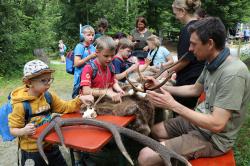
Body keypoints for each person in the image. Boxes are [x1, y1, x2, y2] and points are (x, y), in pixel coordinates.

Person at [138, 17, 250, 166]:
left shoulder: (233, 73)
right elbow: (194, 89)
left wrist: (172, 105)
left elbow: (217, 124)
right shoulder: (212, 61)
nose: (190, 49)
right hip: (198, 123)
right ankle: (175, 156)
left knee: (144, 156)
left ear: (210, 43)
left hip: (214, 138)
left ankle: (174, 155)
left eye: (193, 44)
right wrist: (160, 86)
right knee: (156, 131)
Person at [8, 59, 94, 166]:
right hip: (32, 151)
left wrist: (80, 99)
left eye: (49, 80)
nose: (48, 84)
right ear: (29, 82)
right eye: (43, 81)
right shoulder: (20, 105)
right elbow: (13, 130)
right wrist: (23, 131)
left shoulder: (48, 96)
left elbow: (64, 107)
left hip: (50, 145)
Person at [161, 0, 205, 110]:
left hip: (188, 79)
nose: (176, 17)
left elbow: (185, 59)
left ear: (182, 11)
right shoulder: (200, 26)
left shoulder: (188, 30)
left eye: (175, 13)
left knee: (181, 112)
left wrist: (167, 73)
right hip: (197, 77)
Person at [80, 36, 124, 102]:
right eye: (106, 56)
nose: (109, 59)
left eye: (112, 56)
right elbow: (86, 91)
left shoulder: (111, 67)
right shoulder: (89, 68)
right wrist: (105, 92)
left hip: (104, 101)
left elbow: (113, 81)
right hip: (89, 104)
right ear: (97, 52)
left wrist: (119, 90)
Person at [73, 25, 96, 98]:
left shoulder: (92, 47)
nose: (91, 37)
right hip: (80, 77)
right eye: (88, 35)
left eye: (92, 35)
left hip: (90, 76)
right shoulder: (79, 47)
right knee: (79, 97)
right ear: (82, 36)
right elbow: (76, 63)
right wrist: (90, 57)